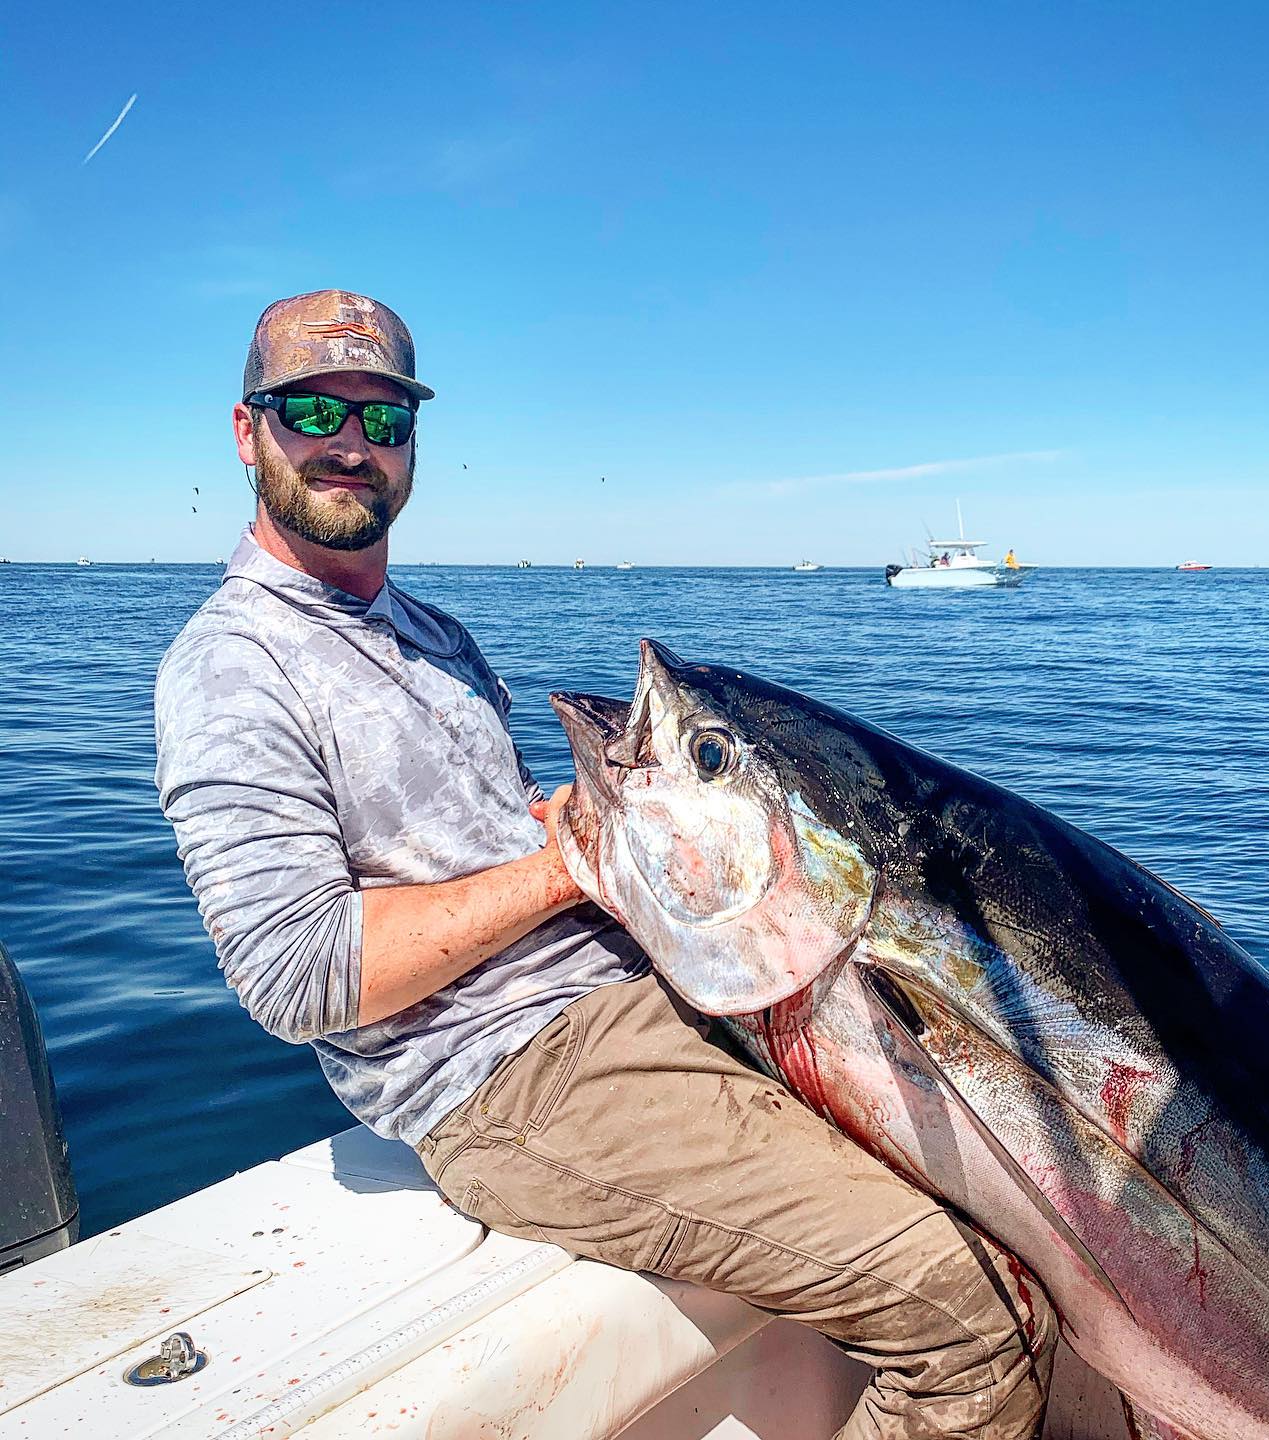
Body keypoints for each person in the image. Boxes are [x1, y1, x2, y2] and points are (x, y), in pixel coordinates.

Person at [154, 290, 1055, 1440]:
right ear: (248, 432)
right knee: (974, 1317)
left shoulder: (430, 632)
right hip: (507, 1080)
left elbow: (494, 846)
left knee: (1038, 1220)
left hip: (647, 1001)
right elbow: (295, 977)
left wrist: (580, 848)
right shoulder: (231, 667)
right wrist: (568, 863)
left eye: (384, 420)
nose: (350, 444)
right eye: (314, 409)